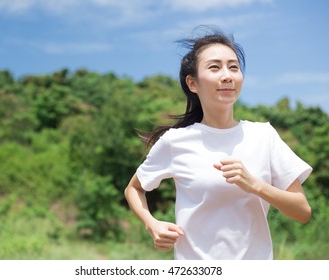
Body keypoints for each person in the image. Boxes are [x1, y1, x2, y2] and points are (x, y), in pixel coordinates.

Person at [124, 27, 312, 260]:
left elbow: (303, 211)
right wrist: (151, 224)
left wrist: (255, 185)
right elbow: (134, 188)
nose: (227, 75)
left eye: (233, 67)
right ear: (192, 84)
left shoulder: (264, 135)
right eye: (215, 67)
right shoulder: (176, 141)